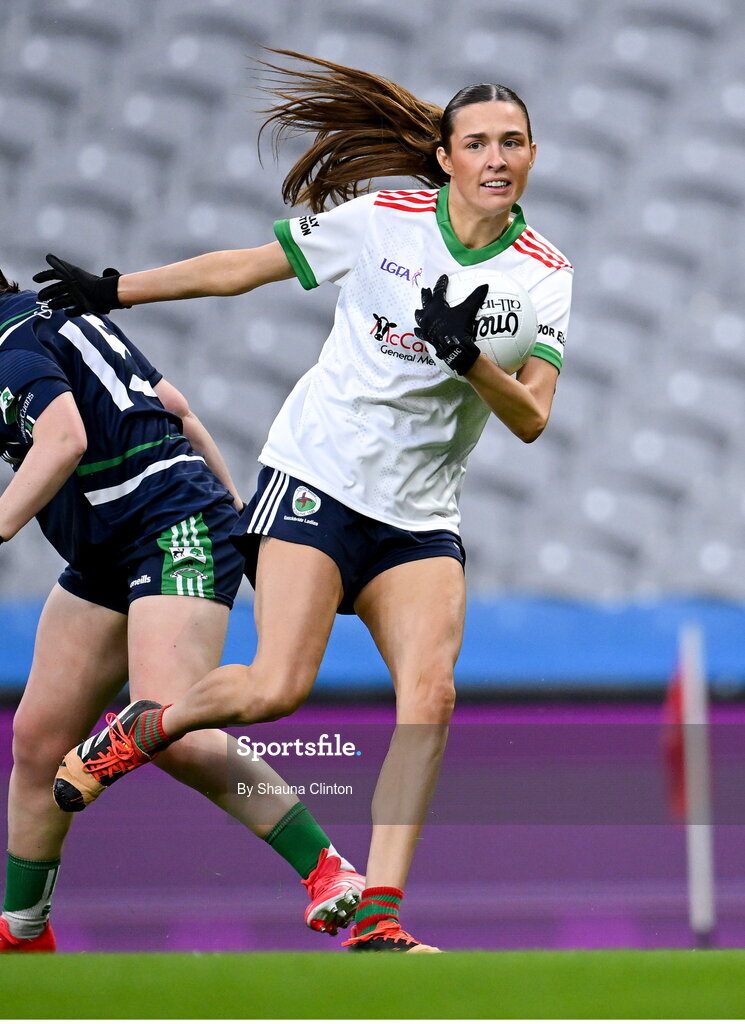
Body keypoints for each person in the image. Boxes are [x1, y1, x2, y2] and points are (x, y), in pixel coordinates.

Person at [34, 51, 573, 953]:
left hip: (418, 517)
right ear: (443, 157)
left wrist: (468, 359)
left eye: (511, 141)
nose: (495, 156)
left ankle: (378, 915)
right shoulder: (380, 221)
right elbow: (245, 268)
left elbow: (531, 417)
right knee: (276, 689)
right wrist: (112, 291)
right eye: (475, 141)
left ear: (531, 154)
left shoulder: (543, 274)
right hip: (316, 479)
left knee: (430, 699)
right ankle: (145, 726)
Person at [0, 222, 365, 954]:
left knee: (168, 730)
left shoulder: (12, 348)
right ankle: (23, 929)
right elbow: (178, 408)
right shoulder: (57, 319)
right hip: (113, 545)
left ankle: (328, 871)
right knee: (39, 739)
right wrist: (235, 515)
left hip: (167, 526)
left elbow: (65, 440)